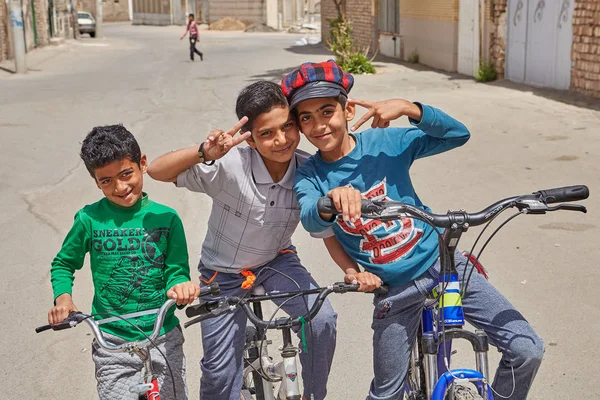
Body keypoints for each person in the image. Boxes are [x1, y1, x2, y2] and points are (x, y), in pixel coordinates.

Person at [283, 60, 545, 400]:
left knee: (527, 349)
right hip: (394, 291)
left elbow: (456, 134)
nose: (318, 125)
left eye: (327, 111)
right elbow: (310, 217)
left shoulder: (385, 143)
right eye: (306, 117)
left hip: (447, 268)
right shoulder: (311, 175)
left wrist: (411, 108)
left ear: (347, 111)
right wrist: (329, 202)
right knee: (386, 394)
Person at [147, 80, 338, 400]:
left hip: (276, 261)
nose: (281, 139)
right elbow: (155, 170)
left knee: (322, 318)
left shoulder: (308, 168)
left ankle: (314, 395)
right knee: (221, 375)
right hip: (223, 272)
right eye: (266, 133)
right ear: (249, 139)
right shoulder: (229, 166)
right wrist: (203, 152)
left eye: (288, 126)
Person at [47, 125, 200, 400]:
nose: (120, 187)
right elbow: (63, 263)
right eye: (106, 181)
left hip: (162, 335)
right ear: (96, 182)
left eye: (126, 174)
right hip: (112, 340)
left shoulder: (167, 218)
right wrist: (64, 299)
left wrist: (181, 287)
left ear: (142, 164)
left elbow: (176, 270)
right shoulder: (88, 219)